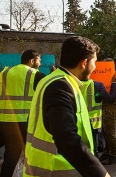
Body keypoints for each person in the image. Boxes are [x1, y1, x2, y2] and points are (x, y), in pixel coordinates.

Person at [24, 36, 110, 176]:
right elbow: (66, 138)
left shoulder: (58, 81)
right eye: (94, 62)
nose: (95, 67)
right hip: (54, 171)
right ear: (84, 63)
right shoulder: (61, 86)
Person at [0, 50, 46, 177]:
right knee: (31, 157)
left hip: (3, 120)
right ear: (32, 60)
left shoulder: (4, 72)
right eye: (39, 60)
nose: (40, 64)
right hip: (23, 122)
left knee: (10, 158)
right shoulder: (36, 75)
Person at [81, 75, 116, 158]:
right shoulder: (97, 85)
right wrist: (114, 83)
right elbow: (110, 99)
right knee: (93, 146)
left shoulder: (72, 83)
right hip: (93, 122)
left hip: (78, 121)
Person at [100, 62, 116, 165]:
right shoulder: (108, 80)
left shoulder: (115, 81)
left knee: (110, 133)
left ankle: (113, 156)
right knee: (107, 133)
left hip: (111, 109)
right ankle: (107, 152)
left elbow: (112, 98)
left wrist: (115, 83)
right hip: (107, 108)